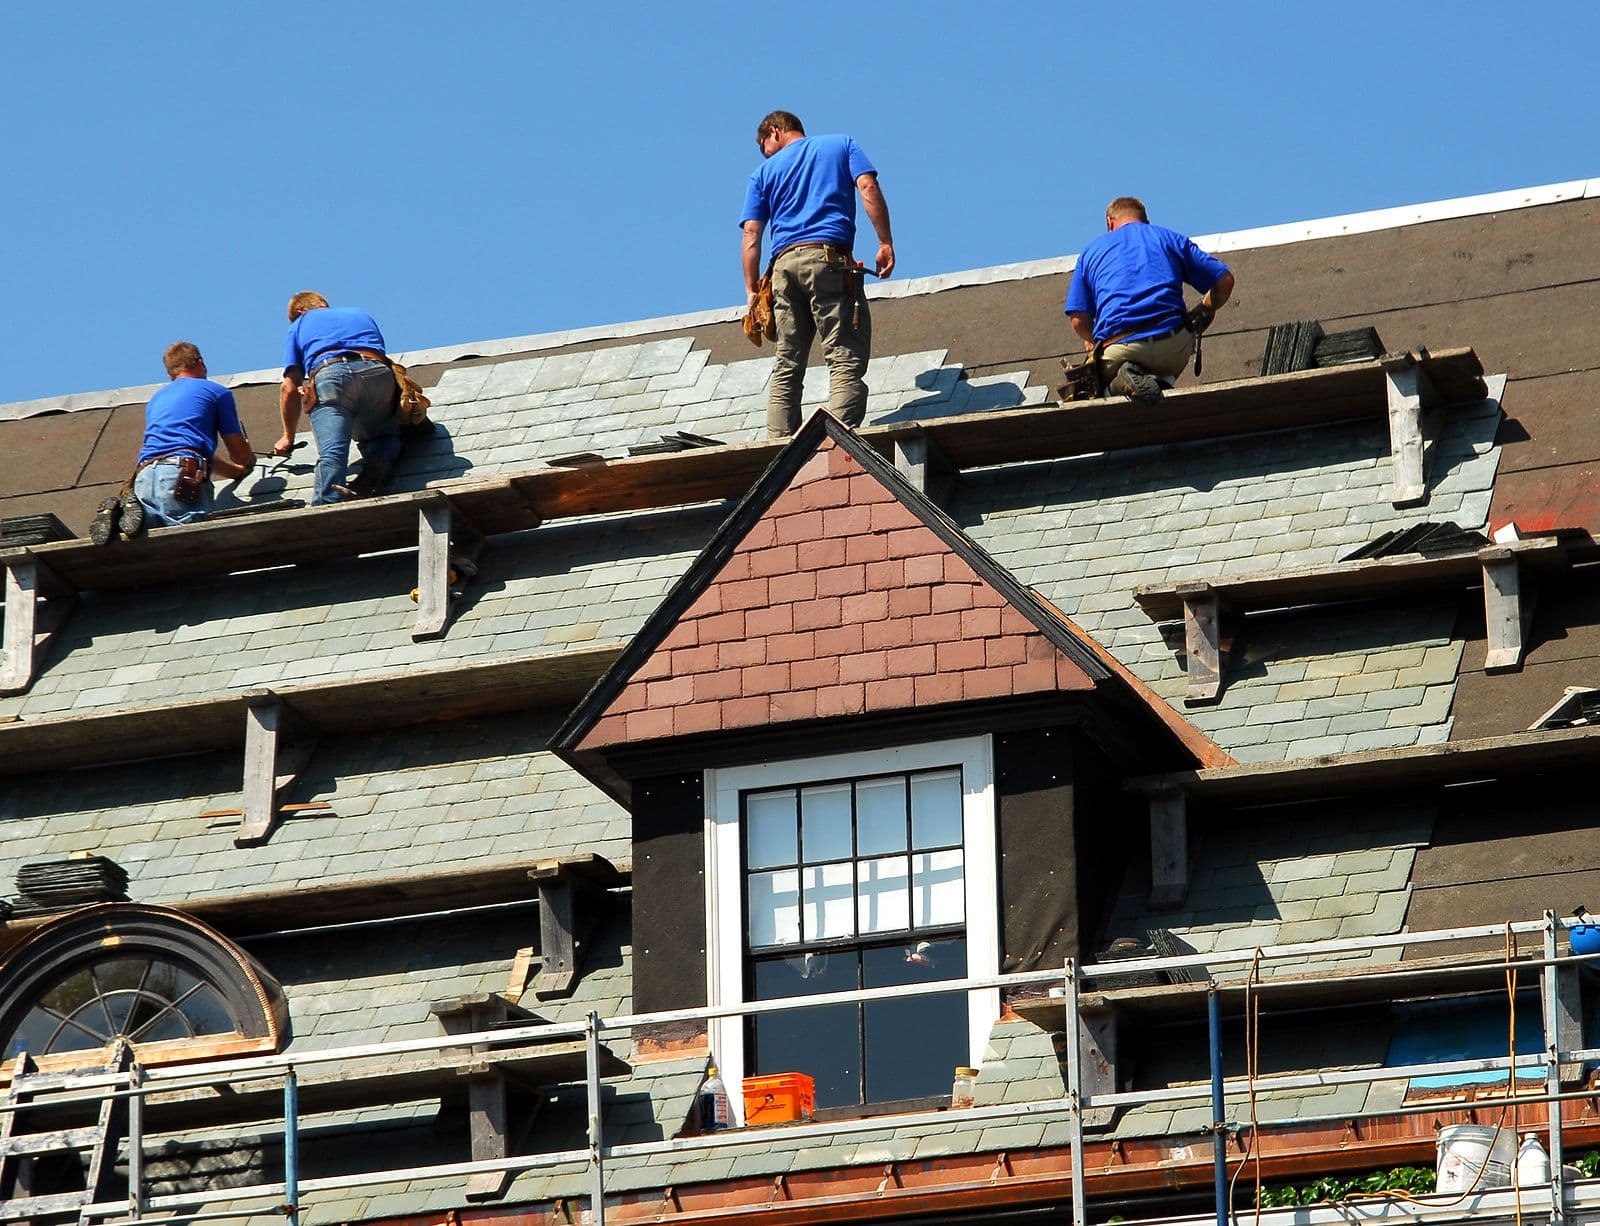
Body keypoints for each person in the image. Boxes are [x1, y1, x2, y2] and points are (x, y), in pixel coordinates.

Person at [741, 110, 895, 438]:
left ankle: (779, 453)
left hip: (782, 270)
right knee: (843, 355)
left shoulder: (762, 174)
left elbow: (752, 235)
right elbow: (867, 186)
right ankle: (837, 448)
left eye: (765, 146)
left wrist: (752, 291)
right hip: (828, 260)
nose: (768, 156)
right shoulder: (841, 145)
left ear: (774, 131)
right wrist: (884, 242)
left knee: (787, 362)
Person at [1065, 197, 1235, 404]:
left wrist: (1093, 341)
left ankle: (1119, 383)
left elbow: (1078, 320)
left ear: (1110, 223)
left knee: (1093, 395)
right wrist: (1204, 308)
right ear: (1145, 220)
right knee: (1160, 382)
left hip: (1121, 348)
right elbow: (1224, 281)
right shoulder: (1168, 238)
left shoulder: (1090, 252)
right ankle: (1160, 383)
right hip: (1173, 344)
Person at [92, 342, 255, 544]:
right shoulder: (216, 392)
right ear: (200, 362)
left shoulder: (157, 399)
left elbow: (186, 450)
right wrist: (249, 461)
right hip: (183, 474)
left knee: (152, 544)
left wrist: (235, 472)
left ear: (171, 372)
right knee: (193, 542)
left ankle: (119, 516)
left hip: (145, 476)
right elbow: (236, 448)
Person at [272, 292, 400, 504]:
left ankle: (326, 505)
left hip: (333, 376)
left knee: (332, 453)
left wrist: (288, 437)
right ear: (324, 306)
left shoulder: (299, 324)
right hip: (379, 374)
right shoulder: (360, 313)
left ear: (300, 312)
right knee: (383, 437)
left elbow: (289, 387)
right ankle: (376, 470)